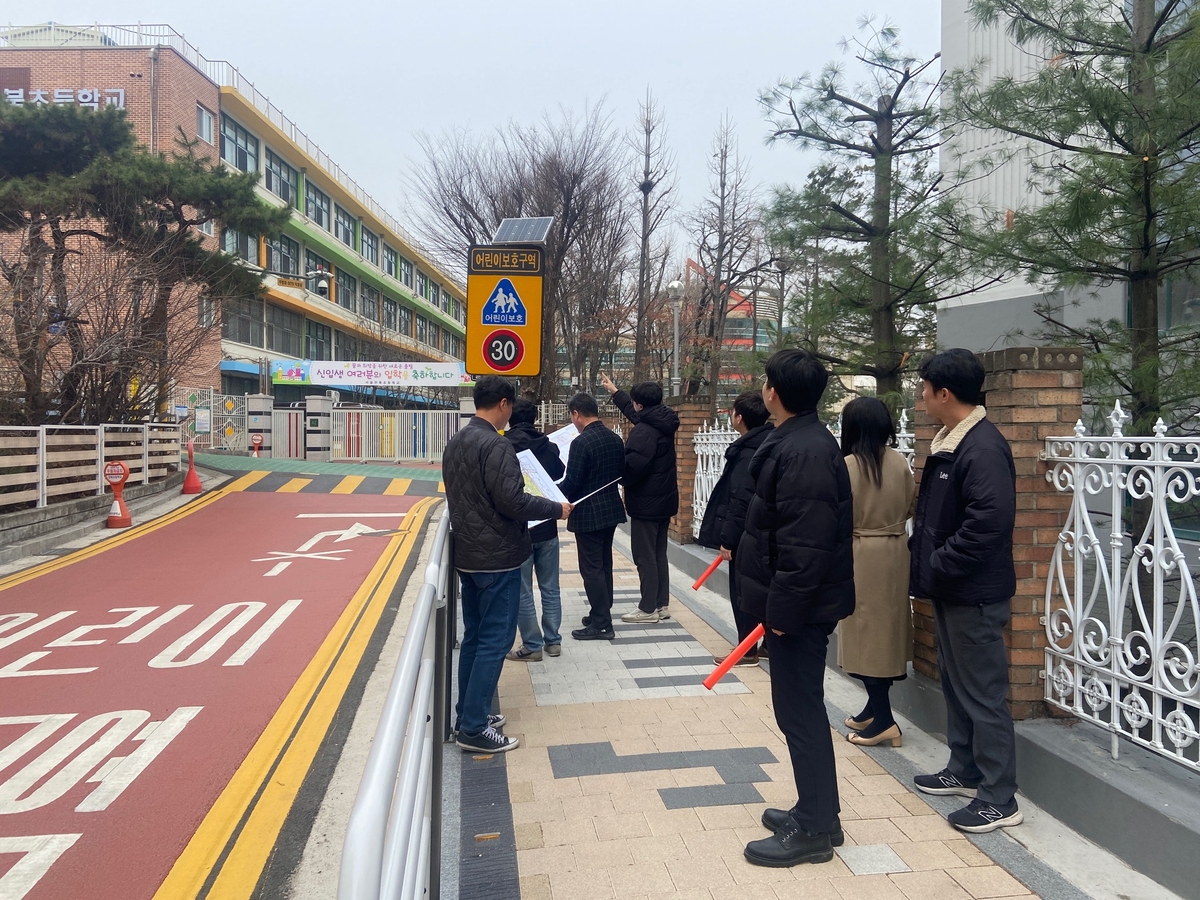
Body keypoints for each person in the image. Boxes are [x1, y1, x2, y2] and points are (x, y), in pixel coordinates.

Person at [737, 349, 855, 868]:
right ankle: (818, 812)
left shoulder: (805, 451)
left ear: (774, 393)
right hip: (794, 606)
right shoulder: (800, 440)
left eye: (766, 381)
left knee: (800, 711)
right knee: (797, 710)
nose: (764, 388)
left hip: (799, 611)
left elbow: (804, 550)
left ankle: (814, 830)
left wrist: (780, 616)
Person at [909, 348, 1021, 833]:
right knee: (956, 685)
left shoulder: (981, 447)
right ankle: (964, 768)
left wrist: (939, 563)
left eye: (924, 389)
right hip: (953, 589)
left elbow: (989, 522)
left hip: (973, 592)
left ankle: (1000, 797)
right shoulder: (952, 442)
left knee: (983, 693)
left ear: (944, 393)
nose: (921, 397)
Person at [441, 376, 571, 753]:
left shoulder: (457, 441)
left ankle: (468, 713)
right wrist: (555, 508)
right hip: (498, 557)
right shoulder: (495, 446)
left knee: (475, 638)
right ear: (502, 404)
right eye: (510, 406)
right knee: (495, 641)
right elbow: (514, 501)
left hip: (470, 556)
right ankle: (474, 728)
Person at [836, 396, 917, 748]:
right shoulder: (900, 462)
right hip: (896, 550)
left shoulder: (849, 465)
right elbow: (912, 503)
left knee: (865, 635)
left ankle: (884, 719)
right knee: (886, 633)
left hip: (861, 553)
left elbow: (839, 513)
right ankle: (874, 707)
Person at [697, 389, 774, 666]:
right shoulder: (769, 443)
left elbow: (739, 498)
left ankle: (747, 649)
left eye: (732, 411)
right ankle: (766, 645)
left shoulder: (746, 454)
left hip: (746, 537)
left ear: (739, 418)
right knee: (761, 589)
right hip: (765, 533)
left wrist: (728, 539)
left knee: (743, 592)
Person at [599, 373, 679, 624]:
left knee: (645, 557)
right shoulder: (661, 421)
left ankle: (647, 609)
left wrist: (618, 475)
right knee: (658, 554)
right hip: (664, 502)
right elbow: (634, 414)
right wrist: (615, 391)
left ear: (641, 405)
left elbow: (633, 468)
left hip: (646, 503)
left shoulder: (644, 432)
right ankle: (660, 604)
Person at [559, 393, 627, 640]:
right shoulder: (615, 438)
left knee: (591, 568)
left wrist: (553, 491)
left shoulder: (581, 443)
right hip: (610, 507)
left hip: (588, 512)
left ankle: (601, 624)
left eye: (571, 416)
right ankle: (600, 611)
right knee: (604, 563)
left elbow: (572, 483)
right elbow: (621, 474)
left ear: (576, 413)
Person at [504, 399, 566, 662]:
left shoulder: (504, 445)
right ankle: (553, 641)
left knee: (523, 589)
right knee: (550, 586)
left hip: (519, 527)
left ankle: (532, 644)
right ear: (535, 417)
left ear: (510, 417)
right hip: (548, 525)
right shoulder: (548, 446)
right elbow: (561, 472)